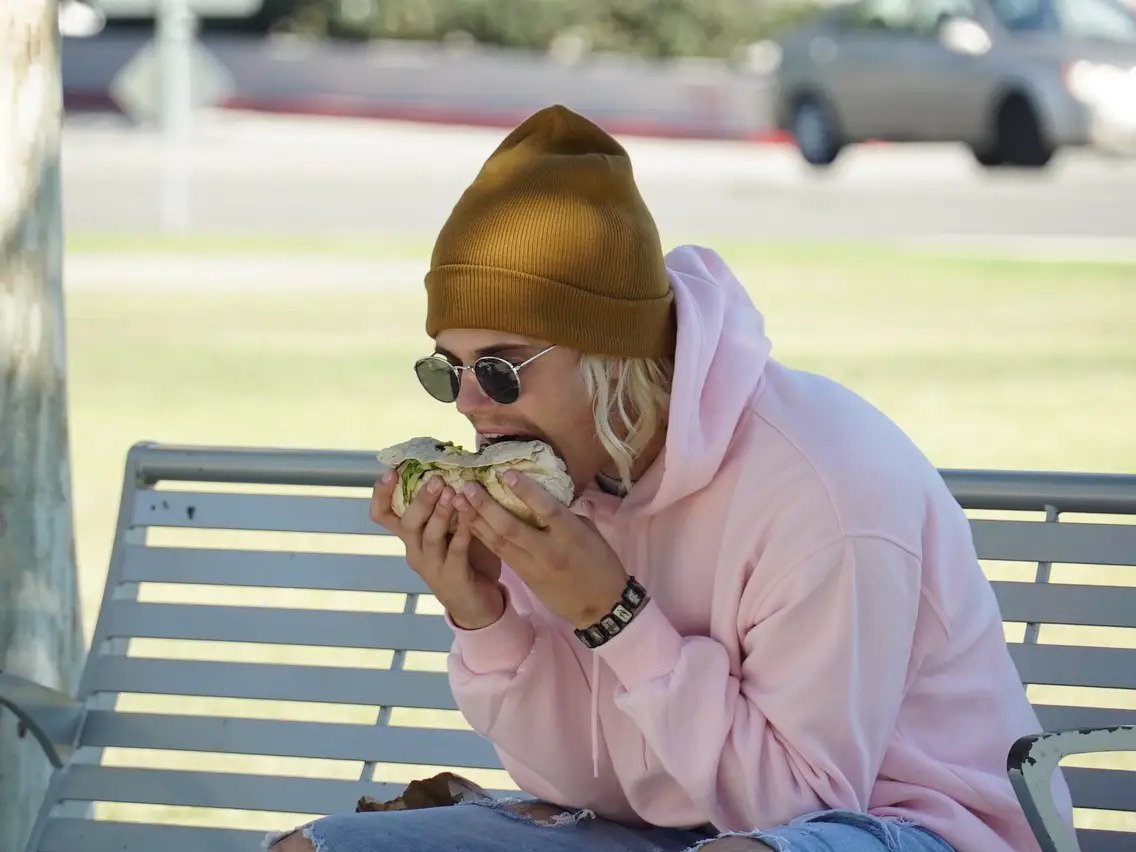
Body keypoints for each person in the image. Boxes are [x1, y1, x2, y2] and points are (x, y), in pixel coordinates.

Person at [267, 104, 1069, 852]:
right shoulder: (566, 477)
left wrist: (613, 614)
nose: (472, 406)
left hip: (911, 823)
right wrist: (485, 617)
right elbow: (577, 787)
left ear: (614, 360)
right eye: (448, 370)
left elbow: (797, 804)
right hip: (661, 828)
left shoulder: (824, 485)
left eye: (502, 370)